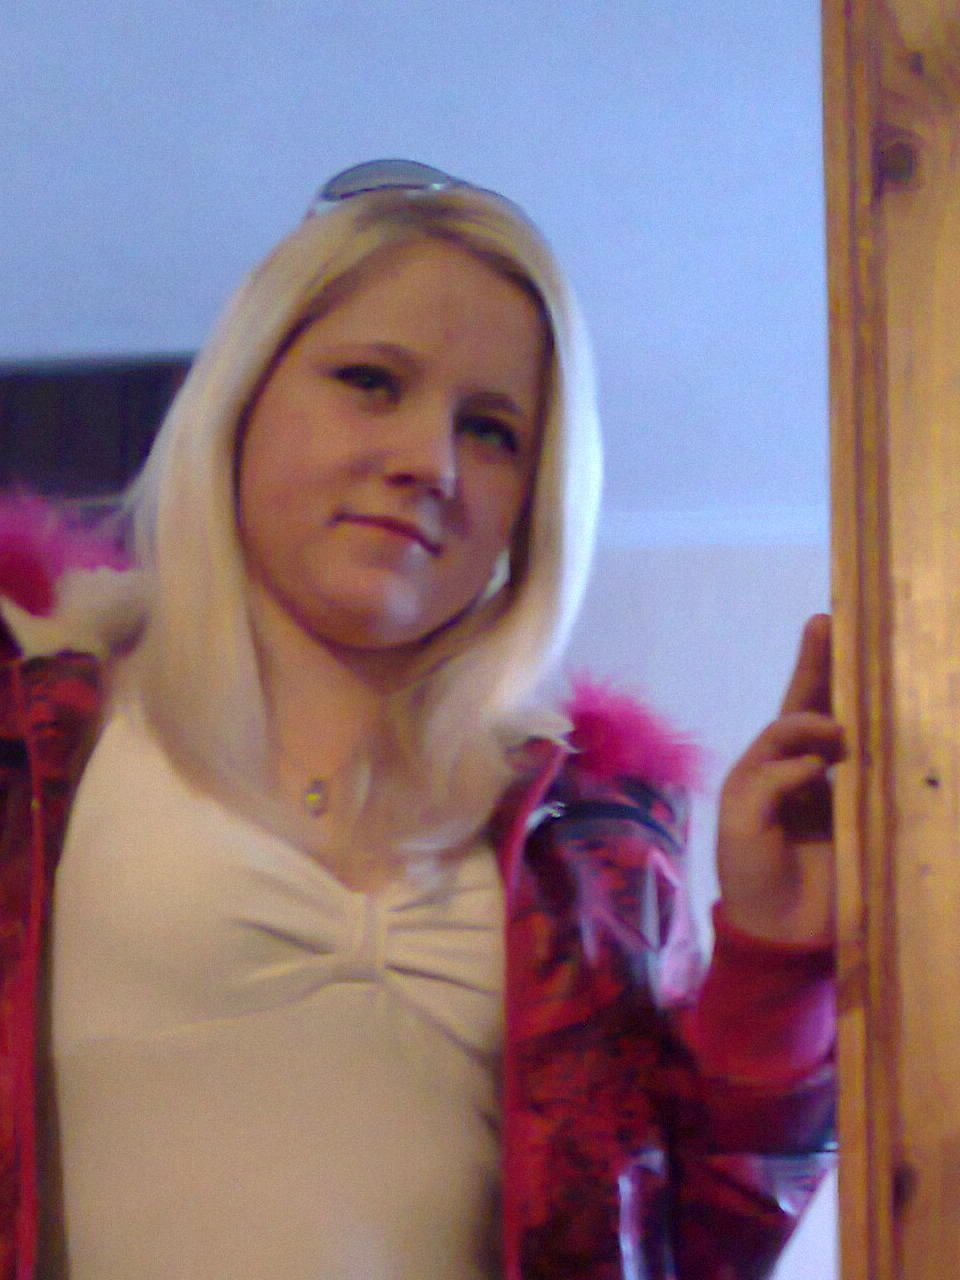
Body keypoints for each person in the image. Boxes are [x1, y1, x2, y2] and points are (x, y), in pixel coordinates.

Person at [0, 160, 843, 1279]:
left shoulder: (591, 845)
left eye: (491, 430)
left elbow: (702, 1245)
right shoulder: (36, 739)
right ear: (241, 395)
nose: (426, 462)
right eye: (369, 380)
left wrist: (776, 963)